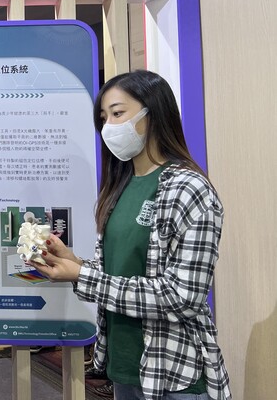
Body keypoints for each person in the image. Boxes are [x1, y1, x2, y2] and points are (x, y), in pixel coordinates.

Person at [29, 70, 231, 400]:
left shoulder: (188, 189)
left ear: (153, 114)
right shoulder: (119, 186)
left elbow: (181, 297)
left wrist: (82, 275)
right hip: (124, 367)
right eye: (103, 118)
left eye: (118, 113)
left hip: (175, 374)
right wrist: (74, 264)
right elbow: (118, 272)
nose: (109, 126)